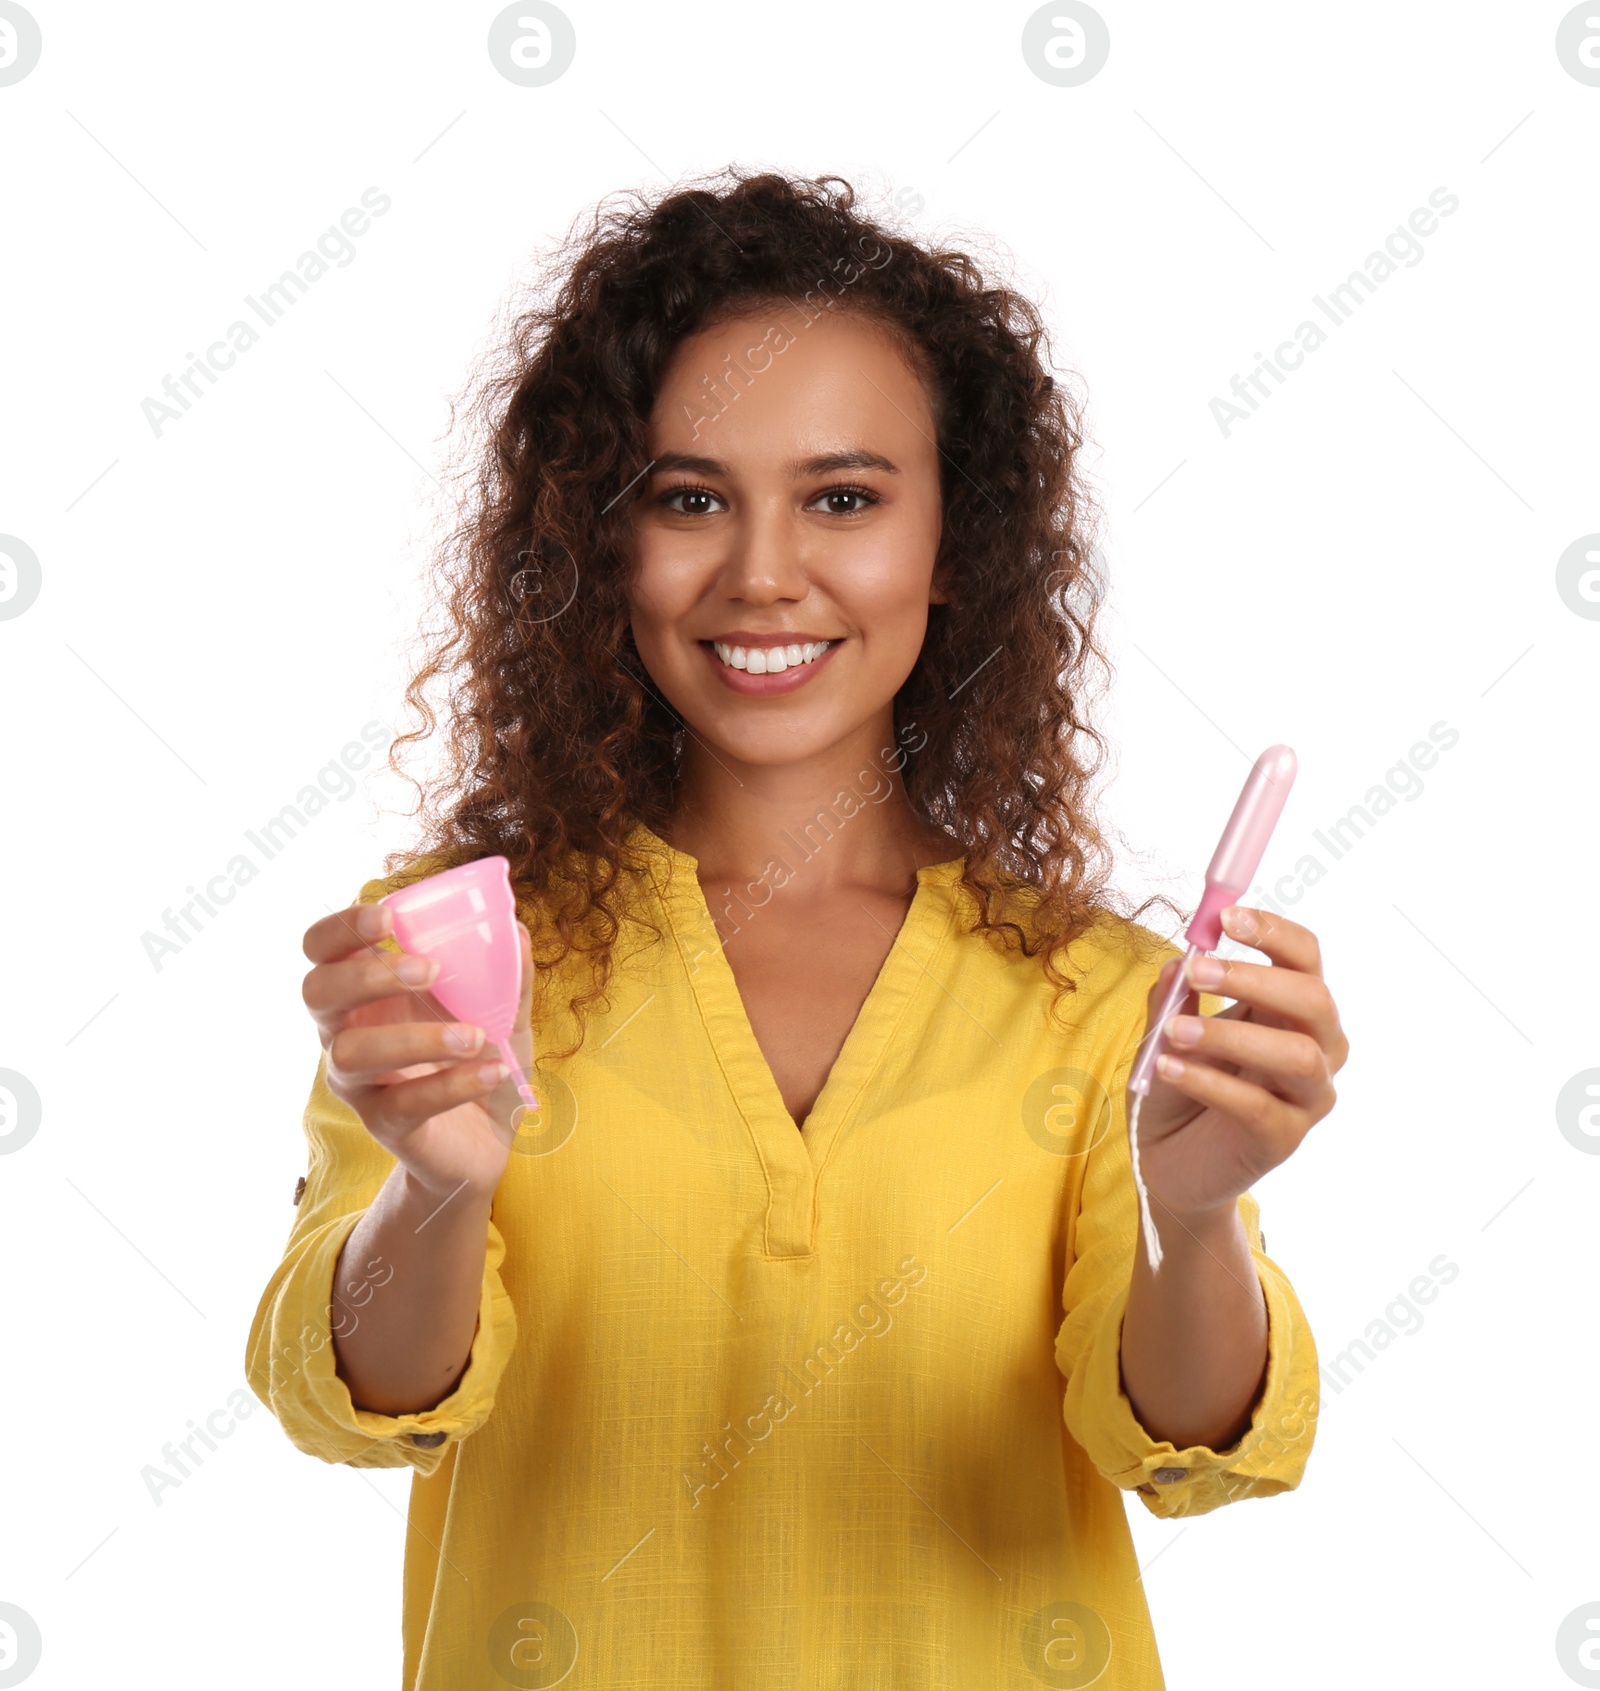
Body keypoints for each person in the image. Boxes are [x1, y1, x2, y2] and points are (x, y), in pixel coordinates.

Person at [246, 169, 1346, 1690]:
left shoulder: (1106, 1003)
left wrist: (1197, 1212)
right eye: (688, 498)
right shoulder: (457, 952)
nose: (764, 573)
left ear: (956, 540)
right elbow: (355, 1402)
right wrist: (433, 1196)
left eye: (845, 497)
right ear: (599, 540)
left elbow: (1184, 1449)